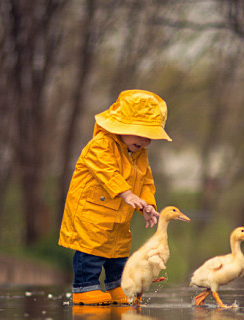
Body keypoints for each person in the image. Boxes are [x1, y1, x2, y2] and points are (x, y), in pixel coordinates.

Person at [59, 89, 172, 305]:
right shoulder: (100, 145)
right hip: (91, 212)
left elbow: (146, 181)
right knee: (91, 251)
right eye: (141, 133)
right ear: (121, 125)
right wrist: (126, 193)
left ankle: (116, 285)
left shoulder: (138, 154)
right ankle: (84, 288)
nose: (145, 141)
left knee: (118, 254)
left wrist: (146, 205)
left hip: (119, 216)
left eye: (150, 137)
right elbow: (106, 171)